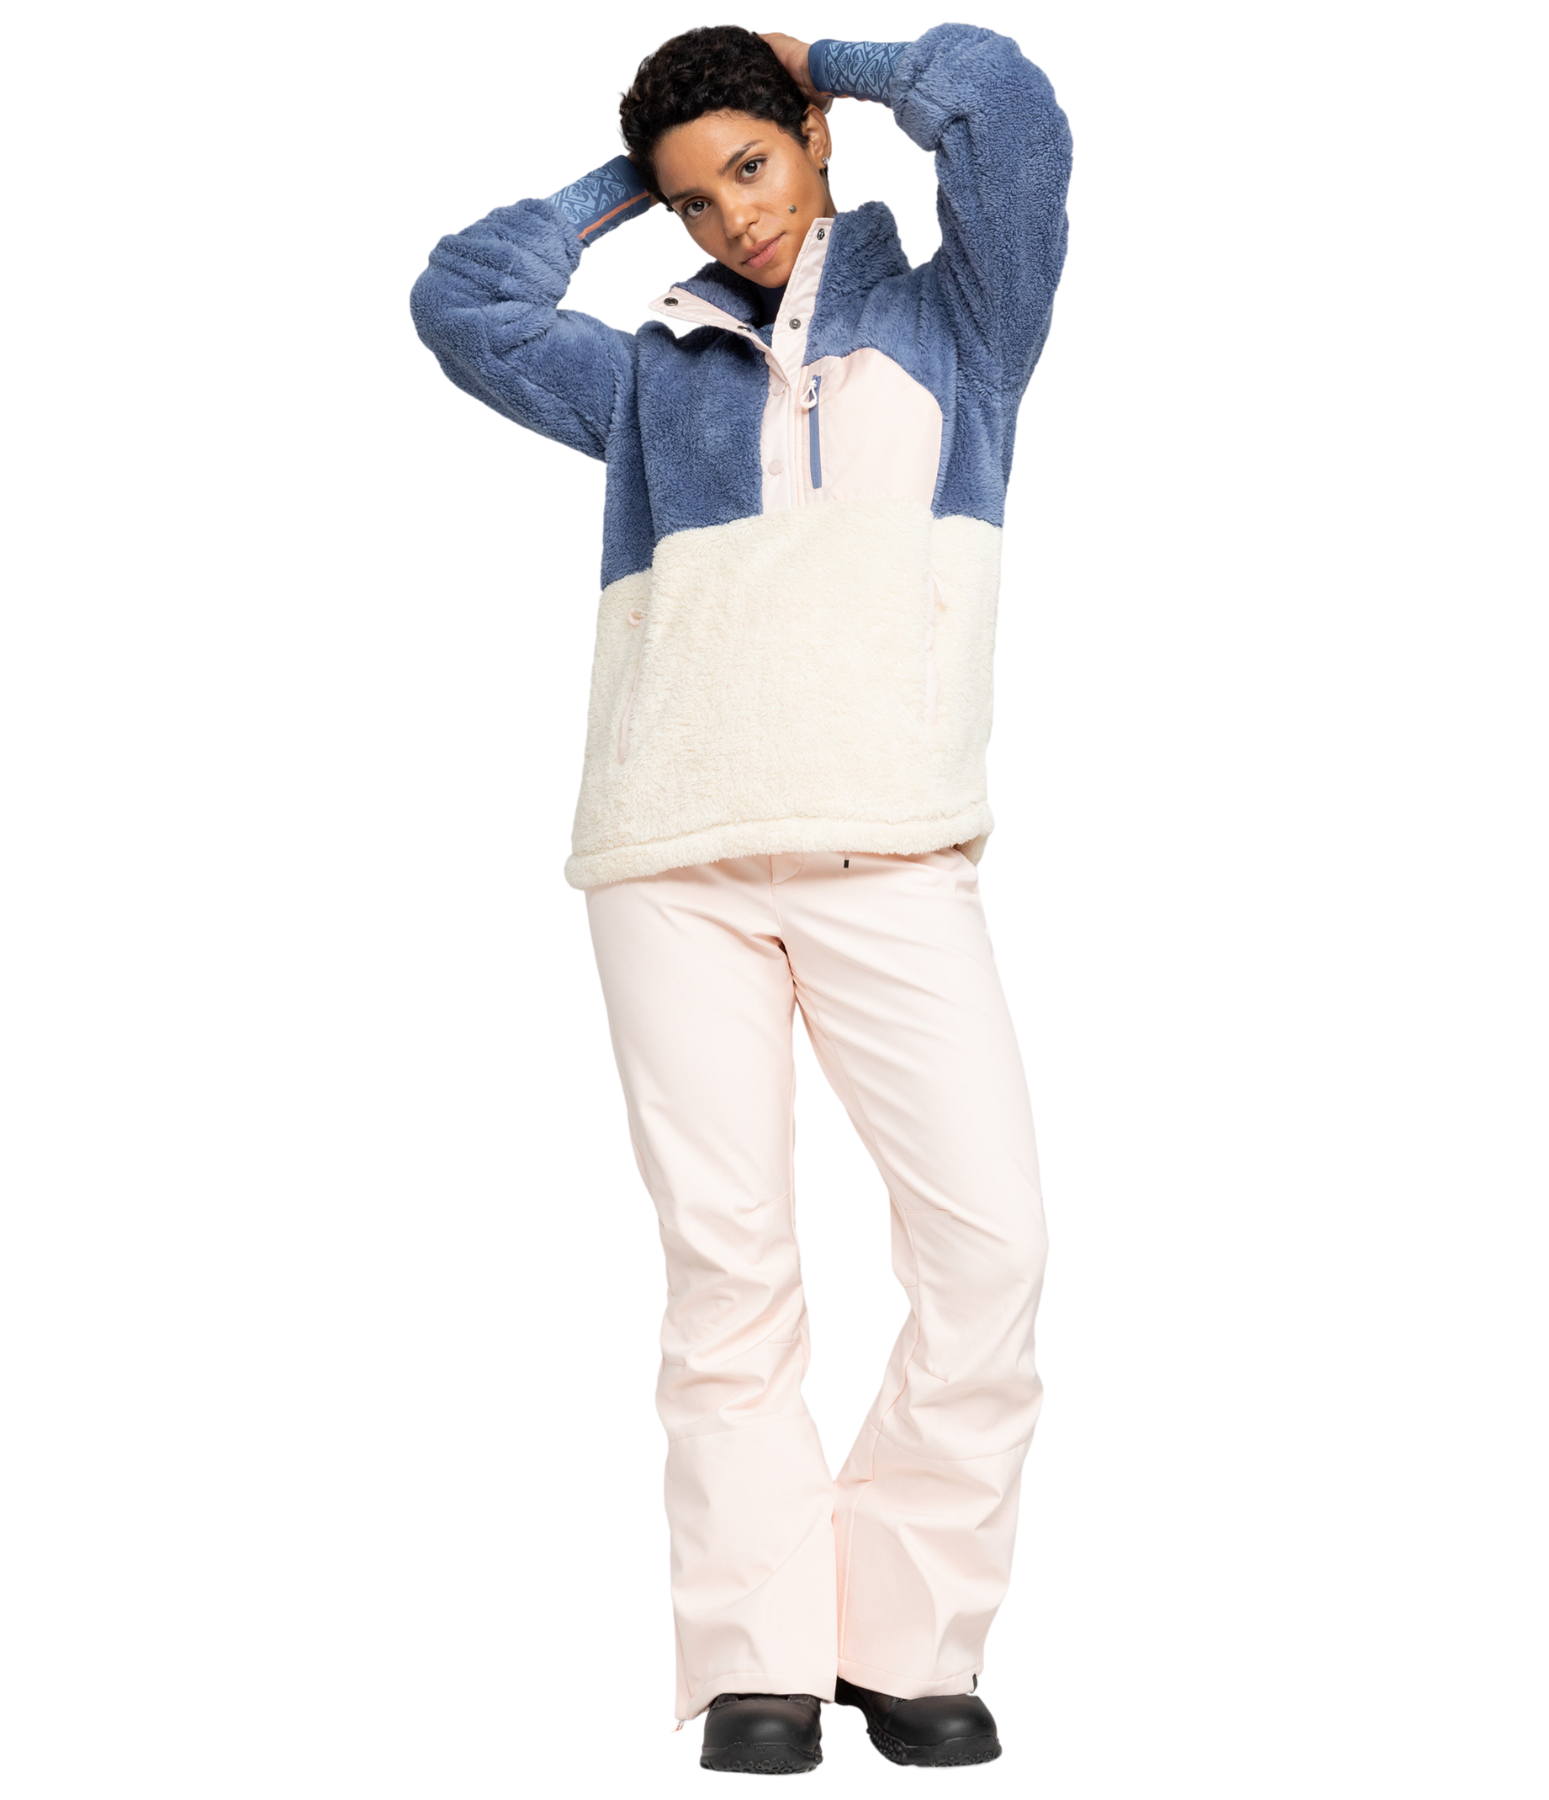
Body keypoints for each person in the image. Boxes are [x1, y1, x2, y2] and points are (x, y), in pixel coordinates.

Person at [411, 24, 1071, 1775]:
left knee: (992, 1246)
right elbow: (461, 301)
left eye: (753, 168)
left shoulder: (964, 322)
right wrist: (628, 183)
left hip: (894, 850)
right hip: (670, 860)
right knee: (730, 1272)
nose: (734, 217)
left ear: (819, 142)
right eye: (697, 199)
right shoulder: (648, 376)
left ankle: (907, 1634)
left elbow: (1007, 108)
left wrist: (826, 58)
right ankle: (760, 1656)